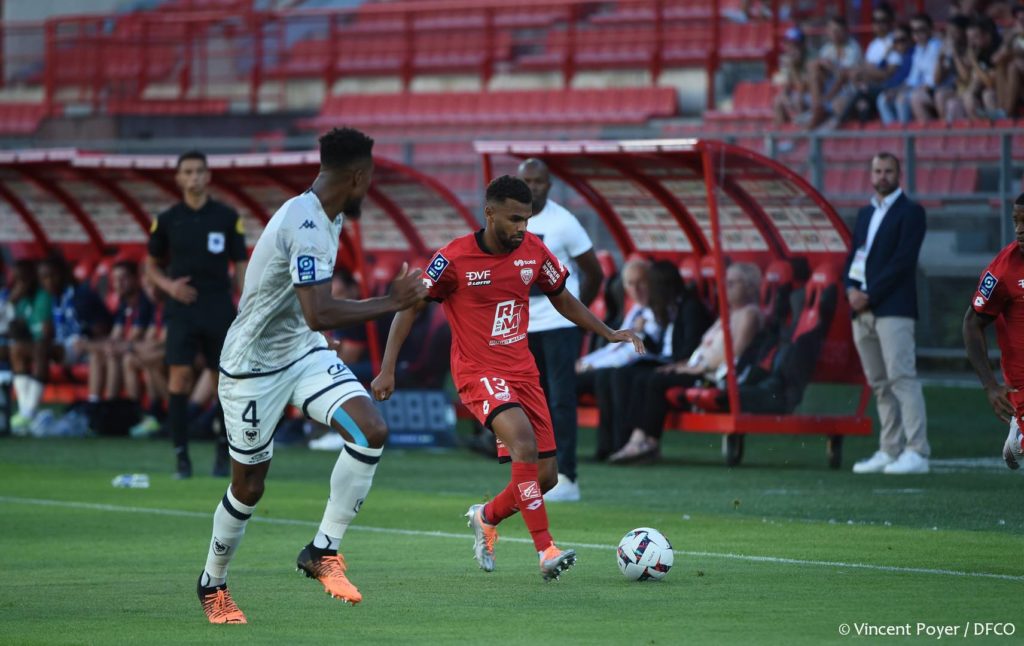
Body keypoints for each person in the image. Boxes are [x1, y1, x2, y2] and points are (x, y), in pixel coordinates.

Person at [194, 127, 427, 624]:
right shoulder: (304, 223)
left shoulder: (330, 213)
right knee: (249, 487)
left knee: (370, 429)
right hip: (252, 367)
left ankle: (323, 550)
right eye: (370, 178)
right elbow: (319, 311)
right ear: (358, 176)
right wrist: (392, 301)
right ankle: (212, 582)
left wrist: (316, 334)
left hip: (302, 351)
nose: (370, 187)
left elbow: (309, 314)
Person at [371, 175, 642, 581]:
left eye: (526, 219)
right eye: (514, 219)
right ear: (489, 213)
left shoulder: (533, 250)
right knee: (524, 446)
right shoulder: (453, 258)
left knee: (546, 477)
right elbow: (411, 306)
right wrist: (388, 366)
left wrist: (608, 332)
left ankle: (486, 517)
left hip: (523, 373)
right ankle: (546, 550)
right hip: (478, 372)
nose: (521, 228)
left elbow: (562, 297)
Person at [146, 150, 249, 479]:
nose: (194, 177)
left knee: (224, 382)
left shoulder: (227, 217)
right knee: (179, 377)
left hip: (218, 306)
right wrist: (169, 286)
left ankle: (222, 452)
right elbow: (150, 265)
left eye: (199, 171)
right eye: (188, 172)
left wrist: (246, 302)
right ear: (178, 178)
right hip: (182, 309)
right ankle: (182, 457)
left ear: (208, 176)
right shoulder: (167, 219)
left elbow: (241, 264)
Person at [608, 262, 763, 463]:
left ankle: (648, 441)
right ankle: (637, 439)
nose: (725, 288)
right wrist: (684, 366)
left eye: (732, 283)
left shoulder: (749, 314)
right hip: (697, 367)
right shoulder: (728, 314)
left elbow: (734, 356)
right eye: (725, 282)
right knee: (648, 377)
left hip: (712, 375)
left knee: (655, 380)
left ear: (750, 287)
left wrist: (696, 368)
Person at [517, 158, 603, 503]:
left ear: (549, 185)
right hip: (522, 326)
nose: (532, 187)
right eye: (526, 181)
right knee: (526, 401)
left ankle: (567, 476)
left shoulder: (564, 222)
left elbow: (593, 272)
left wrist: (577, 312)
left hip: (559, 325)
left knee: (561, 401)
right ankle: (533, 473)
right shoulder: (511, 219)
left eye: (538, 181)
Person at [844, 153, 930, 475]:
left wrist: (869, 295)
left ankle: (917, 451)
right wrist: (851, 290)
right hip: (862, 310)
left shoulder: (911, 212)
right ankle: (889, 448)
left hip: (894, 308)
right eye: (877, 171)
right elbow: (855, 255)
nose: (882, 176)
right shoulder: (866, 213)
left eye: (888, 171)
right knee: (879, 383)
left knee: (902, 378)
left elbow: (903, 262)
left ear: (899, 174)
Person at [963, 193, 1024, 469]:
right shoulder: (1004, 269)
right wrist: (990, 385)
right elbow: (971, 324)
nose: (1020, 229)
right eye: (1016, 221)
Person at [7, 259, 53, 434]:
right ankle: (24, 411)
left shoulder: (43, 296)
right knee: (15, 349)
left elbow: (45, 333)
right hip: (33, 344)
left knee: (40, 349)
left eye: (24, 279)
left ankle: (29, 411)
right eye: (17, 280)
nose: (20, 284)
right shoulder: (19, 300)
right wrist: (11, 303)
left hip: (56, 345)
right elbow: (7, 327)